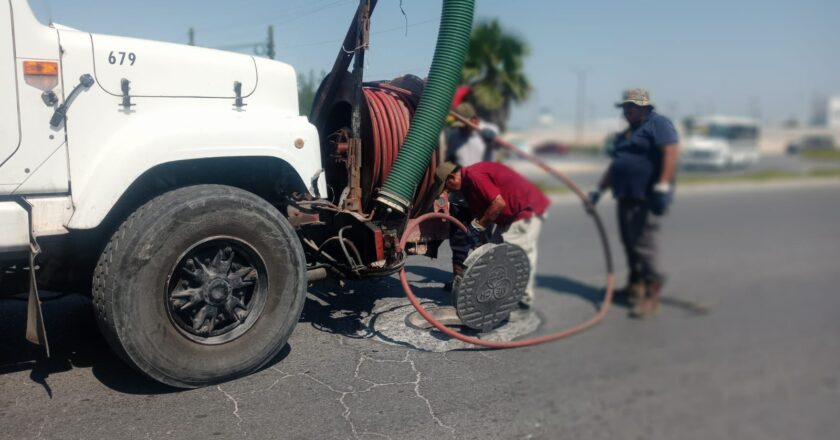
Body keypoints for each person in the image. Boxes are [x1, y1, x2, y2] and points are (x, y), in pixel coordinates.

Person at [589, 88, 679, 318]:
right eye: (625, 107)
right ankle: (635, 287)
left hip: (646, 196)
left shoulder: (658, 124)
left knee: (644, 245)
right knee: (628, 242)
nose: (627, 111)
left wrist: (664, 185)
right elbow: (616, 165)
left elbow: (670, 151)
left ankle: (652, 291)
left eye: (632, 107)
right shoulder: (627, 134)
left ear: (644, 107)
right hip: (625, 195)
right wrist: (598, 190)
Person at [435, 161, 550, 308]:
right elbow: (486, 212)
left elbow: (498, 204)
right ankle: (498, 296)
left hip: (526, 210)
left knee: (514, 256)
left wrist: (477, 226)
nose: (450, 192)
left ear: (452, 177)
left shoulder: (474, 175)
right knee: (493, 254)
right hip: (509, 216)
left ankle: (520, 301)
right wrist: (477, 234)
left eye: (448, 188)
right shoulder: (468, 188)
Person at [443, 102, 499, 288]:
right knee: (458, 242)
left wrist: (491, 138)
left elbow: (498, 144)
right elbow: (449, 164)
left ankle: (484, 282)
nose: (462, 131)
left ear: (474, 120)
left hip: (482, 201)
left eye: (465, 125)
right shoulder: (453, 136)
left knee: (482, 242)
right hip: (459, 201)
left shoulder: (487, 132)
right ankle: (458, 281)